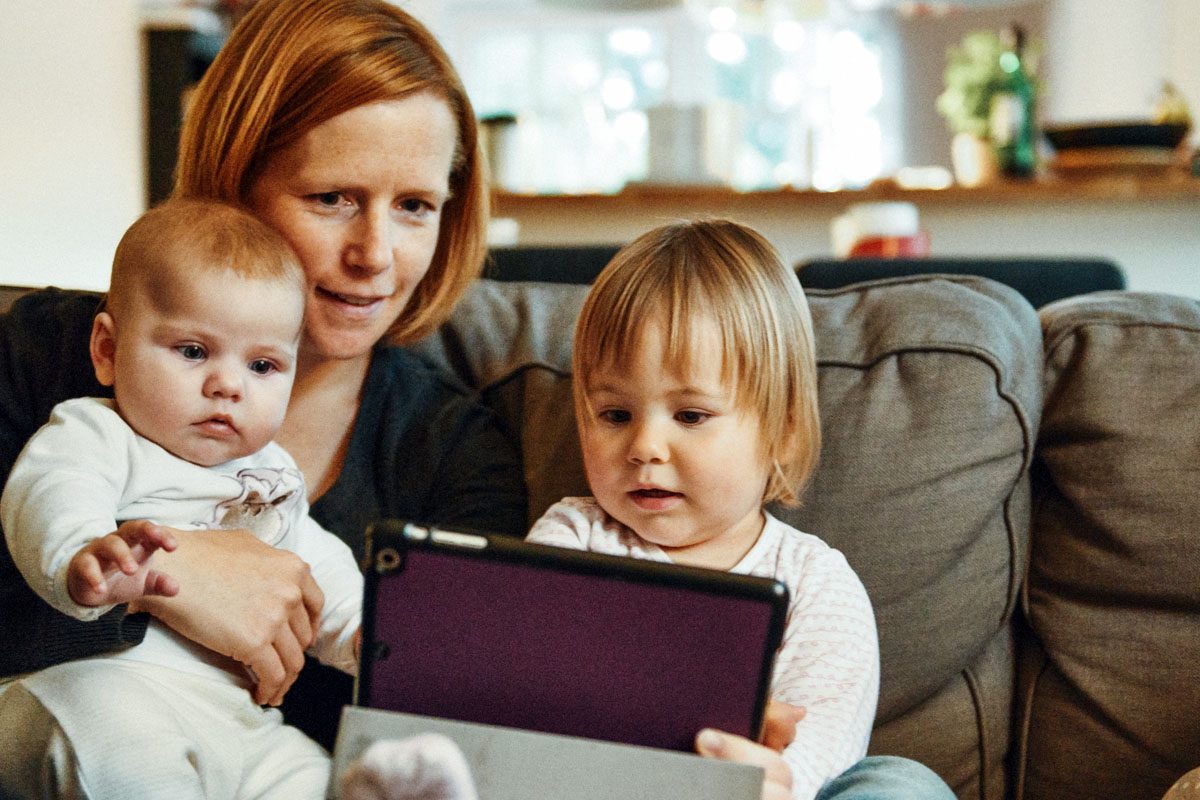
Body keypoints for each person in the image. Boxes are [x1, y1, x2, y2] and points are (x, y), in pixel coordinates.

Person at [0, 0, 794, 795]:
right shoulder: (49, 358)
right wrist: (179, 582)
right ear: (234, 184)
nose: (374, 255)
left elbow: (433, 702)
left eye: (414, 206)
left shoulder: (449, 449)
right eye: (332, 199)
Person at [527, 219, 956, 800]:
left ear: (781, 432)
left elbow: (821, 749)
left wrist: (766, 783)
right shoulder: (572, 540)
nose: (645, 447)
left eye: (691, 416)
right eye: (615, 415)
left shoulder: (815, 583)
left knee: (901, 784)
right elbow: (530, 703)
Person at [0, 198, 372, 796]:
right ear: (107, 350)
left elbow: (311, 567)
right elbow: (50, 494)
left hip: (233, 718)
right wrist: (83, 558)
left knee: (306, 773)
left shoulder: (272, 474)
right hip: (88, 688)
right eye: (193, 351)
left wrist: (367, 636)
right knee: (125, 753)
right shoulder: (96, 432)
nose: (228, 385)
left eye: (263, 365)